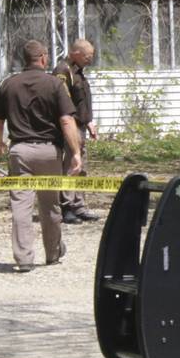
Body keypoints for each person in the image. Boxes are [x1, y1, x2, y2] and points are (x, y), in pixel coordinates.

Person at [0, 40, 83, 272]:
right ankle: (52, 253)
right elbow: (66, 120)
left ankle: (23, 259)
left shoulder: (9, 84)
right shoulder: (54, 84)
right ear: (42, 58)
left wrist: (0, 142)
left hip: (19, 151)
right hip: (48, 152)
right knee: (50, 204)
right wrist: (75, 152)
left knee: (21, 206)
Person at [52, 38, 99, 224]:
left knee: (81, 167)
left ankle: (79, 205)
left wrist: (89, 123)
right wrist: (71, 127)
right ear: (77, 53)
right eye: (88, 56)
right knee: (71, 165)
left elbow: (81, 102)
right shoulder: (63, 71)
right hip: (70, 126)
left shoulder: (79, 71)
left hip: (80, 125)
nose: (90, 59)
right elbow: (63, 103)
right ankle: (67, 206)